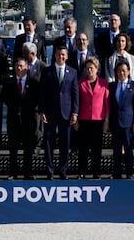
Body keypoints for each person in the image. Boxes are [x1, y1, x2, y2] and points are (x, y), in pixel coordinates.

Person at [38, 46, 79, 180]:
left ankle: (63, 171)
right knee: (48, 142)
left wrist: (75, 112)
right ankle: (49, 171)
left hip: (66, 112)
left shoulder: (72, 72)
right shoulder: (47, 71)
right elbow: (42, 92)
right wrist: (42, 110)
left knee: (65, 143)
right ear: (54, 55)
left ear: (66, 56)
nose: (61, 57)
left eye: (63, 55)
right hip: (50, 112)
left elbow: (75, 93)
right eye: (58, 54)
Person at [1, 57, 39, 180]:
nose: (19, 68)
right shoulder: (9, 82)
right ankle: (13, 172)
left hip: (28, 120)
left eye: (21, 66)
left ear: (27, 67)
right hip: (13, 120)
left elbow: (36, 100)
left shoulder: (34, 82)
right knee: (13, 148)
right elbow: (4, 98)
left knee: (28, 149)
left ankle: (28, 172)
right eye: (17, 66)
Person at [106, 60, 134, 179]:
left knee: (128, 148)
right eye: (119, 71)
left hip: (128, 122)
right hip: (115, 122)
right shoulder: (111, 86)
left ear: (128, 72)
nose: (121, 73)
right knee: (116, 150)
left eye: (123, 71)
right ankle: (116, 173)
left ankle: (129, 172)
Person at [76, 57, 109, 179]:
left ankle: (96, 171)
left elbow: (106, 103)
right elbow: (77, 102)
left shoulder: (103, 83)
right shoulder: (81, 83)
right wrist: (76, 119)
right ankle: (82, 171)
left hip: (98, 120)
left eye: (92, 68)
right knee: (83, 147)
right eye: (87, 68)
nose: (89, 70)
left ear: (97, 69)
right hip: (84, 119)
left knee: (97, 148)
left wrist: (106, 120)